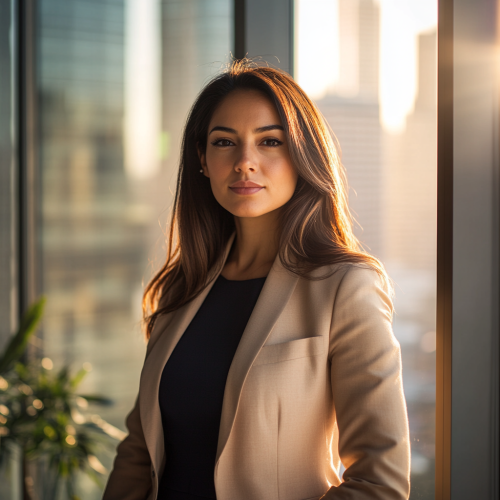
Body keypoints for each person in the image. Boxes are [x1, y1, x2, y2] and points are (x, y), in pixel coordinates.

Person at [103, 61, 410, 500]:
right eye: (225, 142)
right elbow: (138, 452)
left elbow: (380, 482)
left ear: (303, 155)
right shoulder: (181, 287)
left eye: (270, 141)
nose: (245, 163)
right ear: (202, 161)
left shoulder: (346, 286)